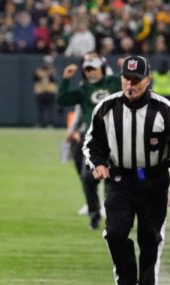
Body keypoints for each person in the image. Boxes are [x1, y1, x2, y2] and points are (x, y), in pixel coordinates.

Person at [83, 55, 170, 285]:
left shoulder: (164, 109)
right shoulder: (107, 107)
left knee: (150, 239)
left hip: (154, 181)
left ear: (148, 80)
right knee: (114, 232)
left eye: (136, 80)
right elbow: (92, 142)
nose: (130, 85)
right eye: (126, 78)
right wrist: (98, 164)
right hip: (120, 179)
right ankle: (126, 283)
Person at [56, 52, 121, 229]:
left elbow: (135, 88)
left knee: (114, 179)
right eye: (88, 70)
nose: (91, 73)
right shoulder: (84, 89)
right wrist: (65, 79)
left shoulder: (114, 82)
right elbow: (61, 99)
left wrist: (126, 73)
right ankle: (94, 213)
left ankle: (111, 214)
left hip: (115, 139)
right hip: (91, 140)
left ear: (101, 68)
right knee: (88, 178)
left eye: (94, 69)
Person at [32, 55, 57, 128]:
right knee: (40, 109)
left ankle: (50, 123)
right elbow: (34, 78)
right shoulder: (38, 70)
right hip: (40, 91)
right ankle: (40, 123)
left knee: (50, 109)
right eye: (46, 62)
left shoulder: (53, 70)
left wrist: (51, 74)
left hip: (50, 91)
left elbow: (55, 79)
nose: (47, 64)